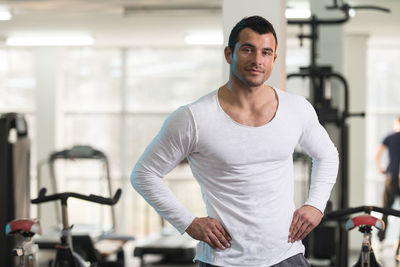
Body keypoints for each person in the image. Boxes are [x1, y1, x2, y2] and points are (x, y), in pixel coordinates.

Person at [131, 15, 339, 267]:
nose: (257, 60)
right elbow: (144, 173)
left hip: (286, 255)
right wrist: (189, 223)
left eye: (265, 52)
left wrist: (315, 205)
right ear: (229, 54)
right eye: (248, 50)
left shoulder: (297, 109)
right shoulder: (193, 118)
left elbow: (327, 154)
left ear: (274, 59)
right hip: (223, 260)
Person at [375, 117, 400, 242]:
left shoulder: (390, 137)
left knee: (386, 209)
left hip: (391, 177)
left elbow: (377, 154)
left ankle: (381, 238)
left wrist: (380, 168)